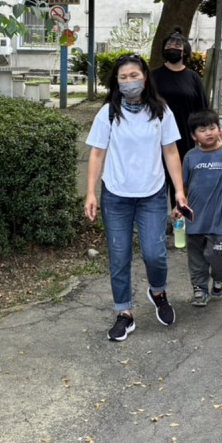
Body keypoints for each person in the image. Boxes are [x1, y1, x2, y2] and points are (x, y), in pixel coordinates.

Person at [85, 54, 185, 342]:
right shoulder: (108, 113)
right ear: (116, 82)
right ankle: (124, 314)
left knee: (155, 252)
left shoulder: (161, 111)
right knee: (119, 257)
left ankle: (157, 291)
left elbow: (171, 152)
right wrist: (91, 192)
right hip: (116, 195)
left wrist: (179, 191)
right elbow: (97, 153)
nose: (129, 81)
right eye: (123, 77)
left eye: (134, 75)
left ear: (145, 77)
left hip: (152, 193)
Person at [181, 110, 222, 306]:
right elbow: (183, 186)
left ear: (219, 129)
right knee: (197, 259)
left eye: (212, 128)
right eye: (202, 130)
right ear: (194, 135)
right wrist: (180, 205)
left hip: (221, 220)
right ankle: (199, 288)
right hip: (195, 220)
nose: (208, 133)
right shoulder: (190, 157)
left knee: (219, 255)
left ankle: (219, 277)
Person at [149, 28, 209, 206]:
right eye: (168, 45)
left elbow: (202, 109)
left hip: (185, 139)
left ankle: (179, 219)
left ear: (185, 51)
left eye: (177, 45)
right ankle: (158, 219)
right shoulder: (153, 76)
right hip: (155, 139)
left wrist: (202, 136)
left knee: (181, 183)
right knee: (158, 182)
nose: (172, 48)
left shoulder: (193, 78)